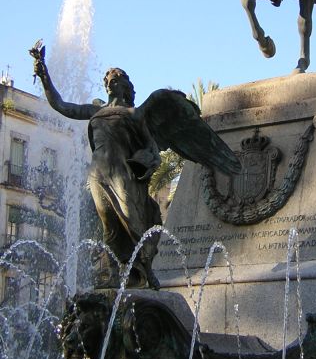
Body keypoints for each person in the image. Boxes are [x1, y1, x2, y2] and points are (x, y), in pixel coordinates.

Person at [30, 43, 241, 289]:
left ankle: (143, 271)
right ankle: (119, 272)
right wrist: (43, 72)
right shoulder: (95, 110)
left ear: (126, 86)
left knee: (132, 219)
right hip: (97, 174)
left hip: (122, 172)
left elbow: (152, 149)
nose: (110, 82)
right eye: (107, 79)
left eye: (115, 79)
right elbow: (62, 106)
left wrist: (147, 161)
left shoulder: (135, 113)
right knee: (109, 228)